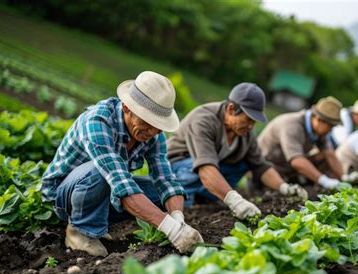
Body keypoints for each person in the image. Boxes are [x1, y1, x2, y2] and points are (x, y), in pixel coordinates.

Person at [41, 71, 203, 256]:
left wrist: (177, 220)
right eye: (147, 121)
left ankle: (98, 222)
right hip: (64, 198)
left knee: (159, 193)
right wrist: (170, 230)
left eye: (158, 124)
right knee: (99, 172)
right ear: (126, 107)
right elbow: (119, 182)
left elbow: (166, 179)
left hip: (104, 192)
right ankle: (80, 230)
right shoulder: (98, 120)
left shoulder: (152, 134)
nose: (153, 130)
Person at [167, 83, 308, 219]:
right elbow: (205, 168)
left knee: (244, 163)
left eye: (254, 122)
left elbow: (261, 166)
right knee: (197, 167)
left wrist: (285, 188)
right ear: (231, 109)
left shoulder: (244, 134)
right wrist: (235, 200)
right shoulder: (203, 120)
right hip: (176, 166)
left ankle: (206, 198)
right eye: (248, 120)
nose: (251, 127)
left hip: (208, 169)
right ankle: (182, 199)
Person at [257, 96, 346, 190]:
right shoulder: (292, 125)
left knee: (323, 157)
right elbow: (296, 161)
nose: (330, 130)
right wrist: (324, 181)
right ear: (319, 119)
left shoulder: (319, 131)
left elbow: (329, 154)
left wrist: (345, 178)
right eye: (330, 126)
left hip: (285, 166)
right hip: (266, 168)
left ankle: (305, 185)